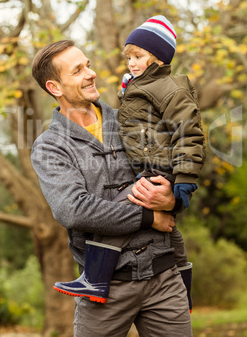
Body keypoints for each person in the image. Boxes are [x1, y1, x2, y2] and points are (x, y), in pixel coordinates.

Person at [31, 39, 193, 336]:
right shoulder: (50, 147)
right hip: (104, 288)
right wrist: (148, 217)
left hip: (164, 279)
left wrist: (171, 202)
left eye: (88, 65)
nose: (90, 74)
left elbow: (177, 174)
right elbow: (74, 210)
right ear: (55, 88)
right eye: (78, 71)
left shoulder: (133, 120)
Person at [52, 16, 206, 312]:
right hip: (151, 166)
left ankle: (95, 279)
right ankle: (185, 293)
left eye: (138, 57)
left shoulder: (170, 88)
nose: (132, 63)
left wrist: (183, 178)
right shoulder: (142, 87)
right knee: (172, 232)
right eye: (129, 57)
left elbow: (189, 133)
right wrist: (128, 89)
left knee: (116, 216)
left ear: (158, 59)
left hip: (157, 168)